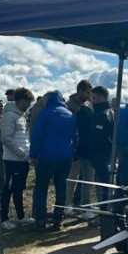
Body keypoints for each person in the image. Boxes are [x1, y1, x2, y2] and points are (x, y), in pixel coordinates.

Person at [30, 91, 77, 231]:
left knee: (41, 188)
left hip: (47, 156)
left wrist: (33, 155)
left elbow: (37, 135)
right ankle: (58, 220)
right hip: (65, 157)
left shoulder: (45, 113)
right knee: (61, 188)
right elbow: (75, 137)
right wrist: (72, 153)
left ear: (48, 100)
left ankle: (40, 220)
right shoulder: (69, 114)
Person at [0, 87, 35, 230]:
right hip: (13, 160)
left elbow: (24, 137)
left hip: (22, 160)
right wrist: (21, 153)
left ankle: (21, 216)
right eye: (27, 102)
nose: (28, 105)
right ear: (21, 101)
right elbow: (6, 138)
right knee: (9, 189)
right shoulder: (9, 116)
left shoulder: (21, 115)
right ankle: (4, 219)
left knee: (19, 189)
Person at [65, 81, 95, 219]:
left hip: (86, 147)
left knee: (86, 179)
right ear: (80, 91)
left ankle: (82, 205)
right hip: (74, 148)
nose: (90, 95)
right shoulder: (70, 106)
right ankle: (67, 205)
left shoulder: (87, 106)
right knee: (72, 178)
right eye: (88, 92)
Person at [88, 86, 115, 210]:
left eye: (94, 98)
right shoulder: (111, 112)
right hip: (107, 154)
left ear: (101, 98)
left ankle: (105, 211)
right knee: (104, 183)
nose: (92, 100)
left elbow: (98, 136)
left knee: (104, 184)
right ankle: (105, 208)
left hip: (101, 154)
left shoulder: (102, 114)